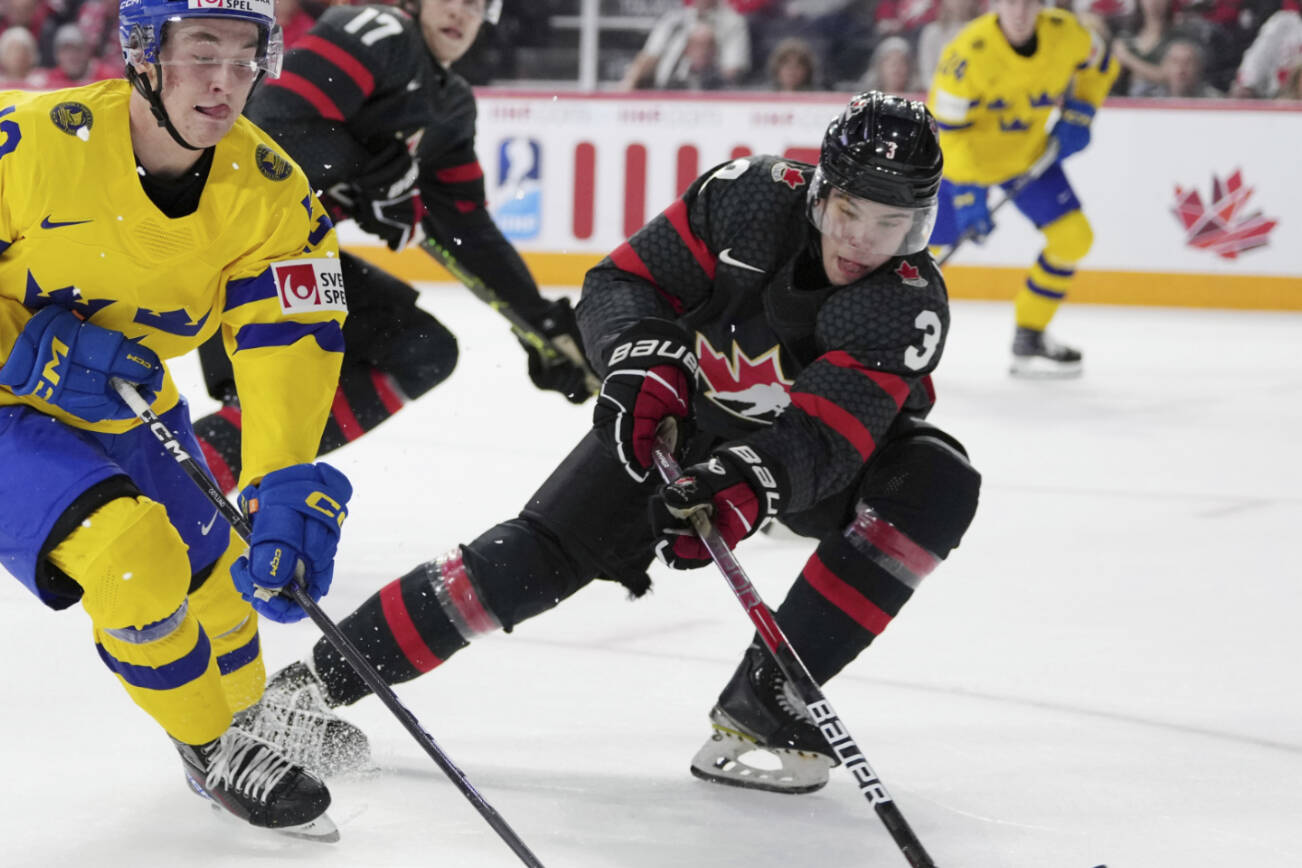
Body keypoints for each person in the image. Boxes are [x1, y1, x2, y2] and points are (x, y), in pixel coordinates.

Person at [234, 92, 983, 798]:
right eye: (851, 211)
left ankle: (773, 697)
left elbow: (825, 436)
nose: (863, 240)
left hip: (811, 468)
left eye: (892, 225)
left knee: (935, 480)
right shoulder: (747, 196)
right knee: (528, 559)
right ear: (822, 190)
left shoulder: (905, 302)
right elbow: (624, 282)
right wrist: (638, 358)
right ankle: (310, 689)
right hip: (678, 422)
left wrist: (746, 485)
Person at [0, 0, 354, 840]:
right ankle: (212, 747)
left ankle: (251, 717)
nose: (226, 81)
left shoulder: (270, 190)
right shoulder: (30, 144)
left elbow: (291, 337)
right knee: (132, 557)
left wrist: (281, 481)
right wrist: (22, 350)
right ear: (142, 54)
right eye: (202, 52)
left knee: (225, 573)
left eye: (245, 57)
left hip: (125, 392)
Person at [192, 0, 592, 492]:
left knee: (423, 351)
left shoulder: (451, 104)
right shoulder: (381, 31)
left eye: (479, 6)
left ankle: (212, 469)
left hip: (286, 253)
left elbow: (466, 228)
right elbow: (273, 124)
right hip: (223, 237)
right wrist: (371, 178)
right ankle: (192, 475)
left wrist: (539, 321)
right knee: (286, 383)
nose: (461, 15)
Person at [927, 0, 1118, 377]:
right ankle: (884, 340)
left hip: (1027, 159)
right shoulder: (965, 54)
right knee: (922, 256)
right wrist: (967, 192)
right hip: (964, 164)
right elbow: (945, 132)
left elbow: (1103, 62)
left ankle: (1030, 334)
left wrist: (1083, 108)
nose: (1019, 12)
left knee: (1073, 239)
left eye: (1029, 3)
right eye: (1010, 2)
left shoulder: (1067, 33)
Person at [619, 0, 750, 90]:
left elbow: (732, 71)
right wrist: (630, 82)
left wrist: (704, 58)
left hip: (709, 90)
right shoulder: (674, 19)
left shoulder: (733, 22)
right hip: (665, 89)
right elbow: (649, 55)